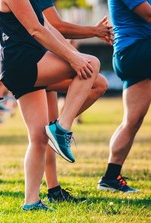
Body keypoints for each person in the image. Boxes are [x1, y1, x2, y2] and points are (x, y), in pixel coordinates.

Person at [0, 0, 100, 210]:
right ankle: (62, 128)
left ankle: (31, 202)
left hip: (23, 65)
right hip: (23, 62)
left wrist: (74, 55)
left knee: (38, 137)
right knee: (92, 64)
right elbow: (36, 30)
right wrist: (74, 59)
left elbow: (48, 27)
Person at [97, 0, 151, 193]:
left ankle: (110, 178)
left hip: (137, 54)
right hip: (134, 53)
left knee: (132, 121)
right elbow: (150, 16)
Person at [38, 0, 112, 202]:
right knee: (95, 78)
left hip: (43, 59)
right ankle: (60, 128)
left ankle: (54, 191)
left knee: (98, 83)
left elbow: (52, 28)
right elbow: (56, 26)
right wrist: (94, 32)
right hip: (36, 62)